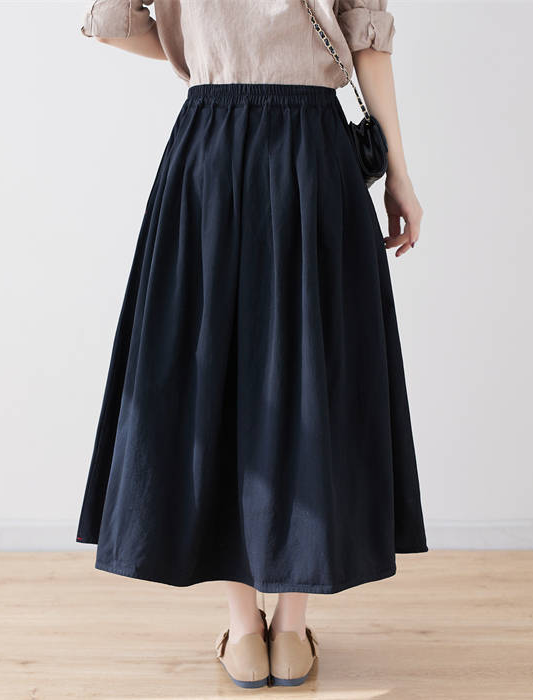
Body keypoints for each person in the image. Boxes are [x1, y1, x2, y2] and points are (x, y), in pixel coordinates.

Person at [75, 0, 427, 688]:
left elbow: (112, 20)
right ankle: (290, 633)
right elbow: (368, 41)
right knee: (308, 375)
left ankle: (243, 633)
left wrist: (203, 53)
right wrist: (401, 178)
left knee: (219, 374)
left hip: (209, 151)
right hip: (314, 156)